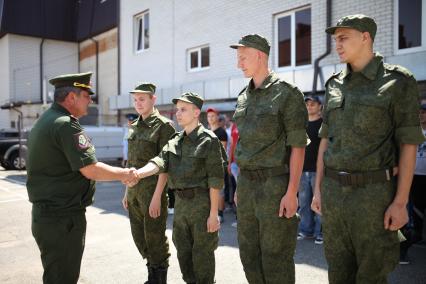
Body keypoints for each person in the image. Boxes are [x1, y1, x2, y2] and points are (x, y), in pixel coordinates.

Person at [311, 15, 426, 284]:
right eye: (335, 40)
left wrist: (400, 202)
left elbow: (409, 143)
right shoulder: (334, 84)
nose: (337, 45)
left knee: (371, 276)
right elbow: (325, 142)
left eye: (343, 38)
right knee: (338, 274)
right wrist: (317, 190)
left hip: (374, 197)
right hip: (333, 194)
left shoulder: (398, 82)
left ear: (366, 37)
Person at [26, 72, 139, 284]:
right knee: (63, 278)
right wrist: (125, 173)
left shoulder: (47, 120)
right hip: (62, 217)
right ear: (71, 98)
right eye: (87, 95)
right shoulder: (65, 124)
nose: (91, 100)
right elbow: (91, 169)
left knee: (57, 274)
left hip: (50, 216)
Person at [230, 34, 308, 284]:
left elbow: (298, 146)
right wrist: (241, 185)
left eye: (243, 58)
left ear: (260, 55)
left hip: (275, 185)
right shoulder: (244, 96)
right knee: (249, 254)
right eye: (238, 58)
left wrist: (292, 191)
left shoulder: (287, 94)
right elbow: (245, 142)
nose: (239, 64)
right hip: (247, 184)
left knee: (276, 256)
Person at [133, 92, 225, 284]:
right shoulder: (175, 141)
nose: (178, 114)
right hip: (181, 206)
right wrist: (138, 174)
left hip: (201, 205)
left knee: (203, 258)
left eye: (183, 110)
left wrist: (213, 213)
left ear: (196, 112)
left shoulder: (209, 140)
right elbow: (159, 162)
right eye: (177, 110)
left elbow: (215, 179)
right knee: (184, 256)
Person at [121, 83, 176, 284]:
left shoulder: (164, 126)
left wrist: (158, 197)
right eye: (135, 100)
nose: (138, 103)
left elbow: (166, 164)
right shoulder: (134, 126)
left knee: (155, 239)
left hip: (153, 192)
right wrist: (127, 192)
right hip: (134, 192)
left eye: (142, 99)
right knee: (139, 238)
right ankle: (151, 272)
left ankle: (158, 278)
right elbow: (132, 163)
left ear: (153, 99)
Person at [400, 101, 426, 264]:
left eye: (424, 112)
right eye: (420, 112)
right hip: (412, 178)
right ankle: (402, 251)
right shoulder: (412, 132)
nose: (421, 114)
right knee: (410, 219)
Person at [297, 95, 323, 245]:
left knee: (319, 202)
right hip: (302, 170)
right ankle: (306, 230)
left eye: (313, 104)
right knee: (304, 203)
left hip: (318, 170)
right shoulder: (302, 125)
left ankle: (320, 232)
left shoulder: (324, 124)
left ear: (320, 106)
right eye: (307, 104)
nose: (309, 106)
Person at [206, 107, 228, 223]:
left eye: (213, 116)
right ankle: (212, 211)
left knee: (220, 190)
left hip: (218, 165)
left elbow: (223, 150)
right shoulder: (207, 132)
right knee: (211, 189)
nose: (210, 118)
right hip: (207, 166)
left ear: (217, 117)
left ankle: (220, 213)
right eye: (209, 116)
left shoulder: (221, 132)